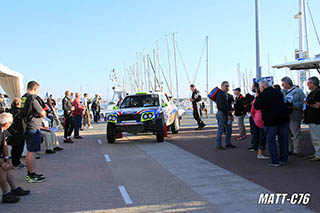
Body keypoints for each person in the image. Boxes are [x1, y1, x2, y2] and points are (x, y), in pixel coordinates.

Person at [254, 81, 290, 167]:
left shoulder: (263, 95)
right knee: (283, 140)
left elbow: (256, 106)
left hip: (271, 121)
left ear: (262, 87)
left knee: (271, 140)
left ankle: (275, 160)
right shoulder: (278, 92)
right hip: (283, 119)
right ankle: (283, 159)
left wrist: (258, 95)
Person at [0, 112, 30, 203]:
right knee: (2, 170)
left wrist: (7, 159)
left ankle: (14, 189)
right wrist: (2, 163)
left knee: (8, 168)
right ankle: (6, 194)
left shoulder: (3, 131)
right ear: (6, 124)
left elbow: (4, 144)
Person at [21, 81, 47, 182]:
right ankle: (31, 174)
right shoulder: (33, 99)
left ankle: (30, 173)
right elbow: (42, 113)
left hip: (27, 126)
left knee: (29, 151)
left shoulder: (24, 98)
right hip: (33, 127)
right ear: (35, 88)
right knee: (32, 152)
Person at [281, 77, 305, 156]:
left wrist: (292, 105)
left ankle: (297, 150)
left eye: (283, 84)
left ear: (288, 84)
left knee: (296, 133)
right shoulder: (282, 92)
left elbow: (303, 103)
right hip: (285, 115)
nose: (282, 85)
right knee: (286, 133)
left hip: (294, 114)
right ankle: (288, 149)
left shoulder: (298, 91)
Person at [249, 85, 269, 160]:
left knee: (259, 134)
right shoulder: (261, 99)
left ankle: (259, 150)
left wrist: (254, 118)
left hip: (257, 118)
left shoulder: (255, 100)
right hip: (261, 118)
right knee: (263, 135)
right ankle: (260, 152)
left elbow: (252, 110)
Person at [215, 81, 236, 150]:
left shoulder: (228, 95)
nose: (227, 87)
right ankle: (219, 144)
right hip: (222, 113)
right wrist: (227, 114)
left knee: (229, 129)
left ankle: (228, 143)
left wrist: (230, 112)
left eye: (228, 86)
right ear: (222, 86)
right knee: (221, 129)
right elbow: (221, 106)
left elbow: (229, 105)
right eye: (226, 86)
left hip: (227, 113)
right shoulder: (220, 94)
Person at [304, 76, 320, 161]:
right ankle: (316, 152)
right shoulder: (313, 92)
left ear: (313, 84)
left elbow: (317, 105)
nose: (307, 85)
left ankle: (318, 154)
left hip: (316, 118)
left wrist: (308, 104)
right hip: (312, 118)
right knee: (315, 137)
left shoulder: (318, 92)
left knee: (316, 137)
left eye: (309, 83)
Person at [7, 98, 26, 169]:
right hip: (18, 132)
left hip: (12, 132)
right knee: (18, 148)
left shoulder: (10, 111)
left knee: (14, 148)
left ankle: (15, 162)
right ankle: (16, 163)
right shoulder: (19, 112)